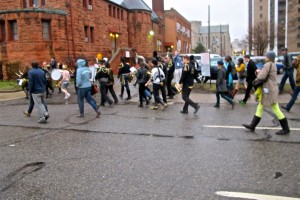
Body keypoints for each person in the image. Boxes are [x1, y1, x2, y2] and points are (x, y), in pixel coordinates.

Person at [242, 51, 290, 135]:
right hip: (270, 89)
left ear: (269, 57)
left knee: (275, 108)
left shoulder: (268, 64)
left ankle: (286, 128)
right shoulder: (273, 65)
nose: (265, 57)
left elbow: (262, 76)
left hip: (269, 89)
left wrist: (255, 80)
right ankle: (252, 125)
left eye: (266, 56)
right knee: (260, 106)